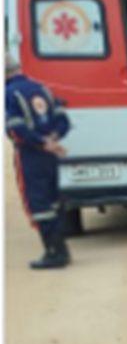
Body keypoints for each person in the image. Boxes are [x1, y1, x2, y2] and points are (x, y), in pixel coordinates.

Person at [5, 54, 73, 269]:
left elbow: (15, 129)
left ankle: (53, 252)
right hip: (50, 154)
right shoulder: (42, 88)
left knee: (36, 202)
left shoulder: (8, 93)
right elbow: (63, 120)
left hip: (31, 153)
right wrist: (53, 139)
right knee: (53, 198)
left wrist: (41, 143)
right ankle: (61, 248)